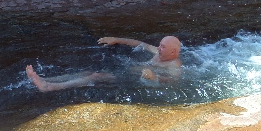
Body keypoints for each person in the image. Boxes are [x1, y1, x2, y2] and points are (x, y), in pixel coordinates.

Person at [26, 36, 183, 92]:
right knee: (88, 71)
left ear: (173, 52)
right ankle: (47, 80)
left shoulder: (173, 65)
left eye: (163, 47)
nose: (159, 48)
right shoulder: (159, 52)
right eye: (160, 45)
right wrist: (116, 39)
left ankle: (48, 87)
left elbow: (174, 82)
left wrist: (155, 77)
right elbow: (140, 44)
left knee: (96, 76)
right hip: (128, 72)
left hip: (133, 81)